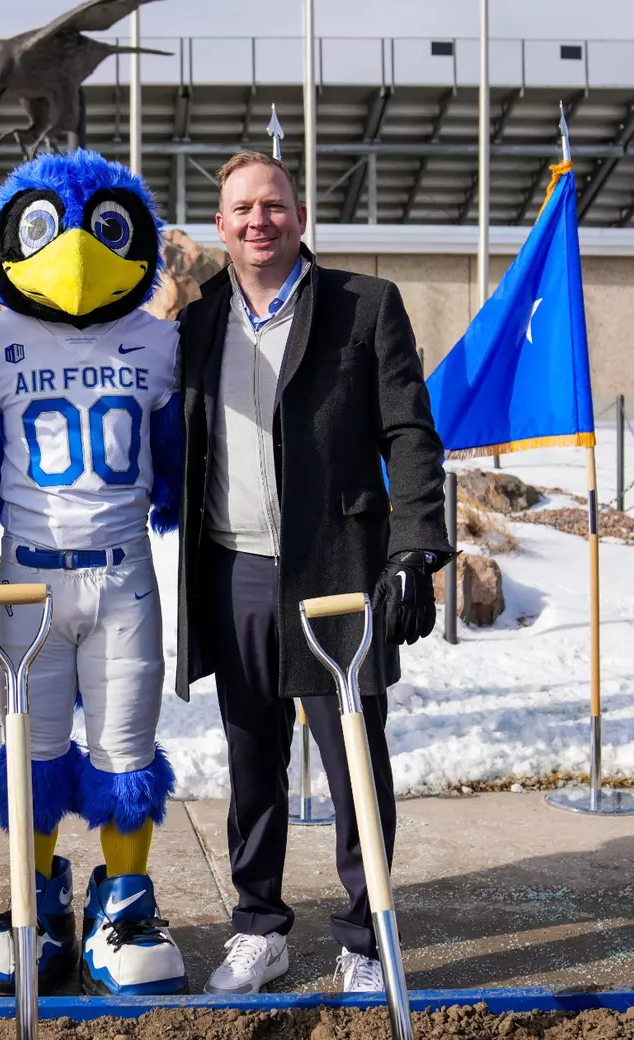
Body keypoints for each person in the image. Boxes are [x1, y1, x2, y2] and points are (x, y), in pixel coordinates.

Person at [173, 151, 452, 995]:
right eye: (242, 210)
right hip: (233, 571)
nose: (260, 221)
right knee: (251, 761)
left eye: (275, 205)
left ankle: (367, 939)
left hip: (337, 572)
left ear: (300, 216)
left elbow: (409, 433)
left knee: (353, 761)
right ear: (221, 228)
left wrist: (415, 549)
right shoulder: (196, 322)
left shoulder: (365, 306)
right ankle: (259, 928)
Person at [0, 149, 188, 997]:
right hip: (27, 579)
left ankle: (124, 901)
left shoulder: (161, 342)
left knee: (126, 752)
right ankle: (37, 900)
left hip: (125, 570)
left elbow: (179, 464)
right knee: (34, 751)